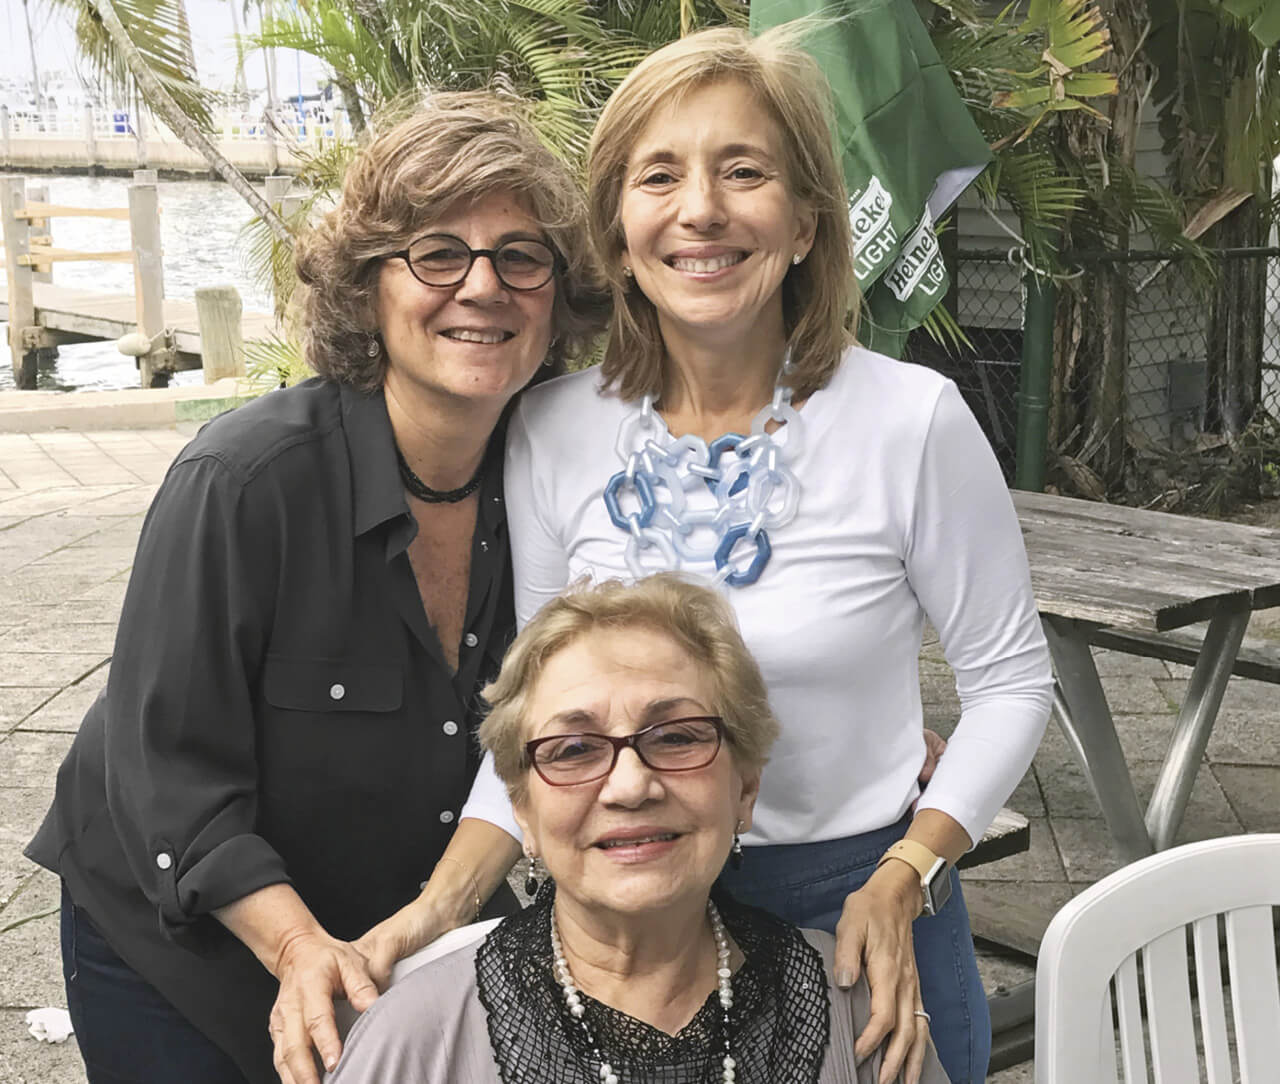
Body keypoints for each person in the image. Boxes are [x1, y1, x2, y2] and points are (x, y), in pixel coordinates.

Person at [448, 26, 1055, 1084]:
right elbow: (533, 719)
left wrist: (908, 869)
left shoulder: (911, 420)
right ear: (620, 231)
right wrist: (432, 912)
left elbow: (1009, 680)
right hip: (622, 934)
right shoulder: (547, 430)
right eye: (659, 175)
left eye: (744, 171)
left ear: (807, 220)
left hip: (859, 913)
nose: (701, 210)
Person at [24, 91, 608, 1084]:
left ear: (556, 293)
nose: (483, 286)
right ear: (367, 287)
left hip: (401, 914)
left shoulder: (562, 479)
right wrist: (297, 949)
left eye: (520, 256)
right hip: (182, 937)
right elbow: (167, 771)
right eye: (436, 253)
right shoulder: (244, 482)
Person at [327, 575, 950, 1084]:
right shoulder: (413, 1045)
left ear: (746, 787)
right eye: (573, 749)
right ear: (522, 809)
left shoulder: (860, 1016)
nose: (630, 786)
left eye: (677, 737)